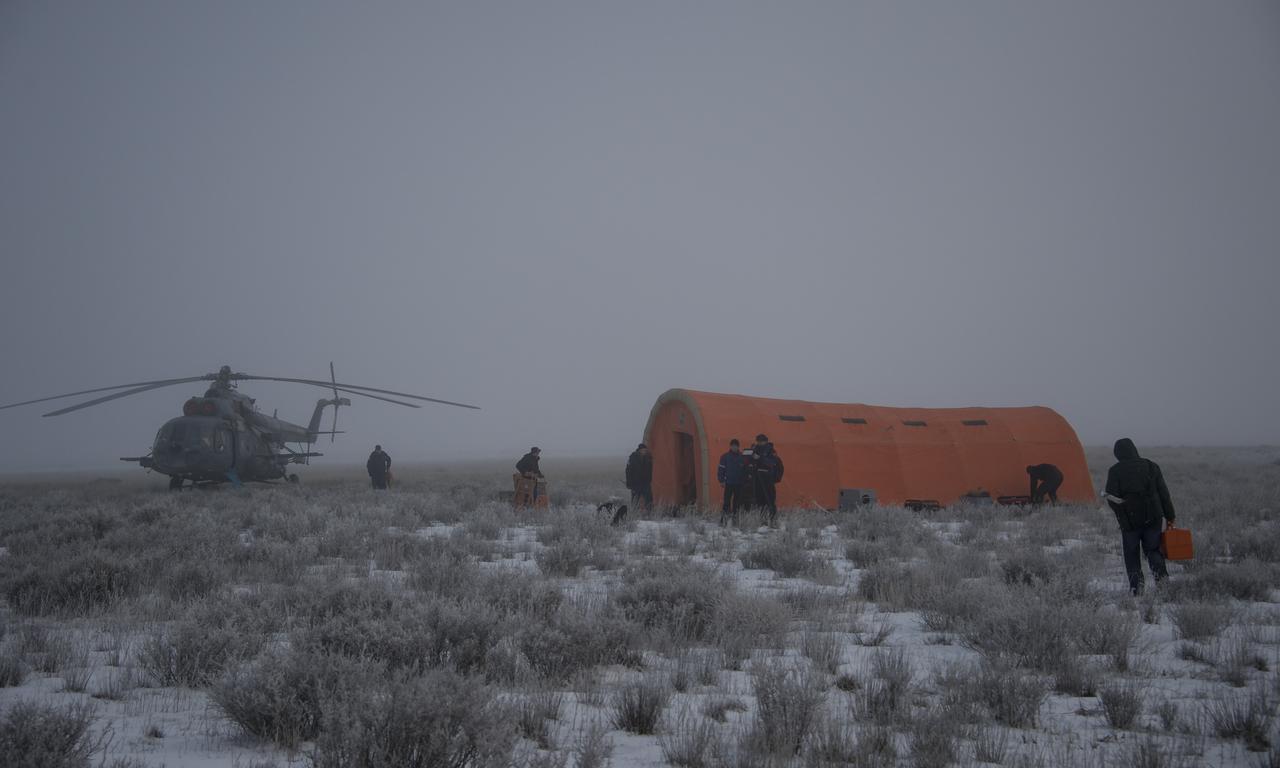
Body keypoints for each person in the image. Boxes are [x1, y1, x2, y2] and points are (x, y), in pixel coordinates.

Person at [1105, 438, 1176, 596]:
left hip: (1129, 522)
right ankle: (1163, 587)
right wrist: (1170, 515)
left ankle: (1137, 590)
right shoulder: (1151, 466)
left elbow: (1111, 497)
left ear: (1117, 453)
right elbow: (1164, 494)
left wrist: (1121, 513)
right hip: (1153, 518)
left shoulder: (1115, 470)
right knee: (1154, 551)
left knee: (1132, 555)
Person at [749, 434, 784, 526]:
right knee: (760, 501)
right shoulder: (755, 449)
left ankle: (773, 520)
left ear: (766, 441)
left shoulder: (771, 450)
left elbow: (772, 463)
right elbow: (751, 462)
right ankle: (762, 521)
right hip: (757, 477)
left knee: (770, 500)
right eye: (758, 441)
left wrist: (760, 458)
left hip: (768, 478)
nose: (759, 443)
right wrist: (751, 457)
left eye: (761, 441)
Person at [717, 438, 747, 526]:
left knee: (737, 503)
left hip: (739, 483)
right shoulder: (725, 456)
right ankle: (724, 520)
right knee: (726, 502)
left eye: (736, 446)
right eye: (733, 446)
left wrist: (745, 480)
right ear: (730, 446)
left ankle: (735, 520)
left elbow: (745, 470)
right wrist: (721, 480)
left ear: (738, 447)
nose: (734, 448)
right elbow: (721, 469)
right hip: (729, 483)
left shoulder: (742, 457)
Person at [625, 443, 653, 511]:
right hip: (635, 483)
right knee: (635, 500)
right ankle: (634, 514)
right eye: (643, 450)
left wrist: (649, 480)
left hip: (645, 483)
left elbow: (650, 470)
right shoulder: (633, 458)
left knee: (649, 499)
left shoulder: (648, 458)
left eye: (645, 450)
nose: (644, 451)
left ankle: (649, 513)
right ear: (639, 450)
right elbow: (628, 471)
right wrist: (629, 483)